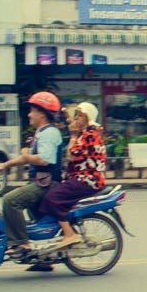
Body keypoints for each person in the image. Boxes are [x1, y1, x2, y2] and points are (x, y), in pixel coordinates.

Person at [0, 92, 63, 259]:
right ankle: (45, 259)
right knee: (37, 222)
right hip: (41, 182)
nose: (29, 114)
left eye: (32, 110)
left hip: (47, 184)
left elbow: (44, 160)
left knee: (10, 200)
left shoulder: (49, 133)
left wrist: (26, 155)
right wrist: (5, 165)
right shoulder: (42, 132)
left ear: (41, 113)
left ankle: (21, 243)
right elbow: (25, 158)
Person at [40, 102, 107, 250]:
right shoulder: (86, 135)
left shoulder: (88, 135)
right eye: (75, 116)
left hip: (87, 180)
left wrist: (72, 136)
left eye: (79, 116)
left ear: (87, 119)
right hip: (81, 178)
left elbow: (71, 155)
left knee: (52, 198)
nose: (75, 119)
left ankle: (69, 234)